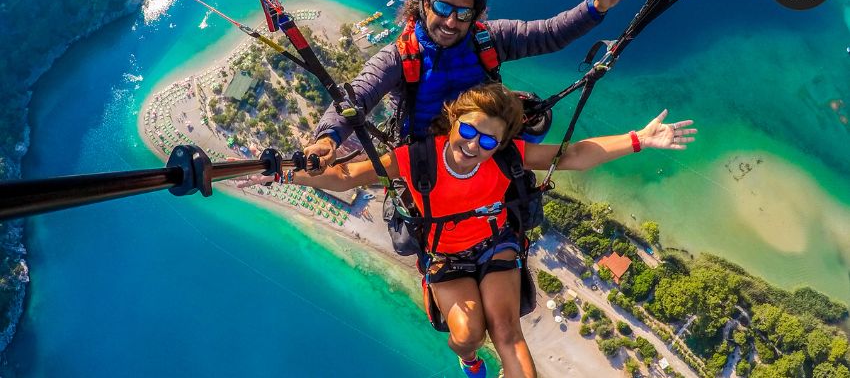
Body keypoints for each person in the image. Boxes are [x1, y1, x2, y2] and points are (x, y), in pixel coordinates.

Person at [246, 84, 696, 377]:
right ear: (453, 121)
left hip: (495, 245)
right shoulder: (416, 157)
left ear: (501, 144)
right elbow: (346, 177)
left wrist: (640, 139)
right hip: (444, 257)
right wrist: (284, 173)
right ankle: (468, 363)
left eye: (488, 142)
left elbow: (574, 154)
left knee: (506, 329)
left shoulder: (506, 157)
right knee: (468, 333)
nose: (473, 147)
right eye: (468, 131)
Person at [304, 0, 629, 172]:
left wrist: (596, 6)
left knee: (535, 118)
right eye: (443, 7)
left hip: (481, 142)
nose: (451, 21)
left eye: (463, 13)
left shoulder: (487, 39)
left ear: (475, 15)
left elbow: (548, 34)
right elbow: (359, 94)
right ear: (424, 5)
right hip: (427, 152)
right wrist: (328, 138)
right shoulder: (400, 56)